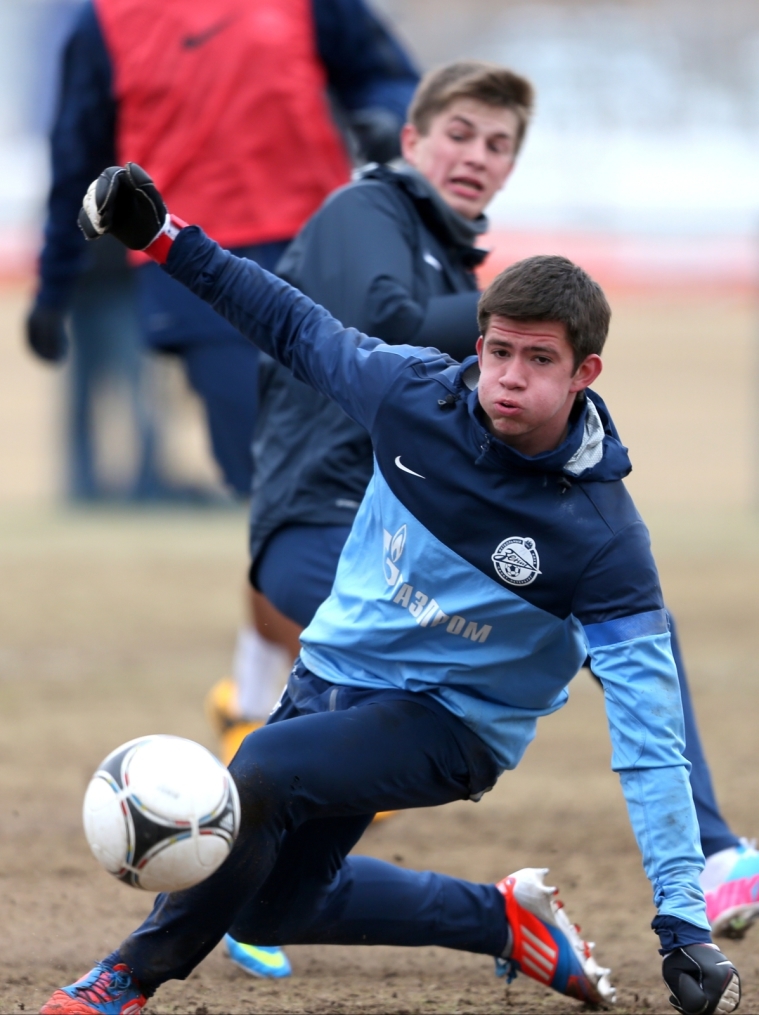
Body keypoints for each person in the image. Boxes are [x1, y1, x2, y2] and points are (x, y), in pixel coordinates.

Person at [40, 163, 744, 1015]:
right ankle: (500, 917)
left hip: (450, 724)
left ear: (583, 373)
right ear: (476, 344)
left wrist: (682, 924)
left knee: (257, 772)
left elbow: (650, 741)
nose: (509, 376)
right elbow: (290, 323)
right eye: (497, 351)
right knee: (265, 898)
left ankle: (124, 980)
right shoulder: (415, 394)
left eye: (538, 359)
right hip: (331, 677)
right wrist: (161, 237)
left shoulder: (602, 542)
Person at [238, 62, 759, 942]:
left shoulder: (449, 250)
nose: (477, 156)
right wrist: (533, 319)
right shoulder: (369, 211)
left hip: (406, 528)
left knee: (623, 618)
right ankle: (707, 850)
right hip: (322, 521)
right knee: (576, 623)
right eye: (459, 134)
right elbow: (384, 321)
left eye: (498, 144)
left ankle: (512, 912)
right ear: (411, 142)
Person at [25, 0, 420, 790]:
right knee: (281, 503)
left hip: (323, 267)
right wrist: (54, 288)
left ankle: (266, 701)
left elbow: (384, 72)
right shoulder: (101, 22)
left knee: (334, 498)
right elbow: (76, 161)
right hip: (195, 284)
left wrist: (383, 121)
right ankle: (289, 707)